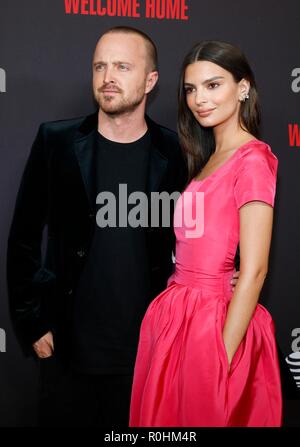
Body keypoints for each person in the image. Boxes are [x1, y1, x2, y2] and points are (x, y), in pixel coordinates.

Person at [129, 40, 282, 427]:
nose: (199, 99)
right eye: (191, 89)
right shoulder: (208, 155)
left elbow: (256, 268)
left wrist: (221, 355)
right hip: (178, 316)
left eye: (213, 85)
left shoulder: (254, 160)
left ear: (242, 88)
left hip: (215, 328)